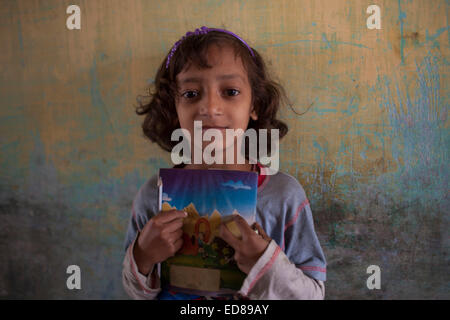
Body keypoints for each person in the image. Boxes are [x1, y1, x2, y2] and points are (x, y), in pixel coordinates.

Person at [122, 26, 327, 300]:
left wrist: (265, 263)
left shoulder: (283, 195)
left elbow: (313, 294)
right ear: (174, 107)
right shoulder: (153, 194)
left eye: (230, 91)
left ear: (254, 104)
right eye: (192, 94)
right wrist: (144, 256)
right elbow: (134, 292)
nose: (209, 107)